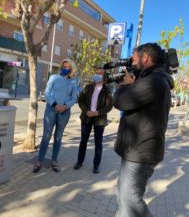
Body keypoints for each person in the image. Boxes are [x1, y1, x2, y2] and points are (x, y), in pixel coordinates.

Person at [113, 43, 174, 217]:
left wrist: (125, 86)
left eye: (135, 58)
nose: (132, 61)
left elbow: (121, 102)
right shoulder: (152, 79)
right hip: (136, 149)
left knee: (130, 199)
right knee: (122, 195)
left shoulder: (153, 81)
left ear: (145, 58)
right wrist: (134, 83)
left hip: (141, 152)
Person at [33, 59, 78, 173]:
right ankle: (39, 161)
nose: (65, 68)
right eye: (64, 66)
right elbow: (47, 92)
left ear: (71, 69)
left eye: (68, 67)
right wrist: (54, 104)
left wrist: (65, 106)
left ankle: (54, 161)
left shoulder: (74, 81)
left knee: (58, 137)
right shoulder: (54, 77)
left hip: (64, 112)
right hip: (51, 110)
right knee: (46, 137)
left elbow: (74, 98)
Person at [73, 67, 113, 173]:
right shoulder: (88, 87)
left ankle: (96, 166)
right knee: (83, 141)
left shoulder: (107, 90)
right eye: (96, 73)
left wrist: (97, 113)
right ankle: (79, 162)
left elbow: (109, 106)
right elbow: (80, 100)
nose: (97, 75)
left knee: (98, 143)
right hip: (86, 117)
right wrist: (86, 111)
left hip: (99, 120)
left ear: (104, 77)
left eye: (100, 73)